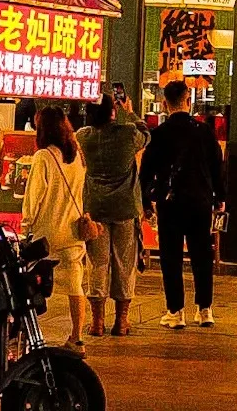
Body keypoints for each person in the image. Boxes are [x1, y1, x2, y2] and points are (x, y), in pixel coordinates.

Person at [140, 79, 224, 330]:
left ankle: (175, 311)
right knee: (201, 254)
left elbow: (146, 172)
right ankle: (205, 309)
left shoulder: (159, 134)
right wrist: (220, 198)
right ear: (188, 100)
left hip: (170, 202)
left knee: (171, 257)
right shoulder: (204, 132)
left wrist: (146, 202)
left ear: (165, 103)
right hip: (200, 200)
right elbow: (217, 168)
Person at [77, 92, 151, 337]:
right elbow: (146, 134)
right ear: (112, 111)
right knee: (124, 263)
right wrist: (129, 111)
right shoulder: (127, 134)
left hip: (95, 208)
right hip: (125, 208)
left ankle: (97, 322)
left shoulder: (84, 136)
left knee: (97, 263)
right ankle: (121, 321)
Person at [22, 106, 88, 352]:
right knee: (75, 285)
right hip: (73, 231)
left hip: (46, 235)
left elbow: (33, 198)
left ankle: (32, 338)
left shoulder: (43, 158)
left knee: (31, 287)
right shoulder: (76, 154)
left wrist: (26, 226)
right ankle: (77, 337)